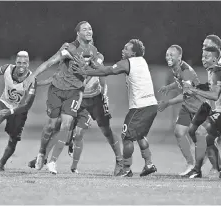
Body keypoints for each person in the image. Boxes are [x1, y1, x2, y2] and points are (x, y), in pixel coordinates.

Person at [28, 51, 123, 175]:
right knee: (59, 126)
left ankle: (120, 162)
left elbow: (100, 74)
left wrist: (104, 95)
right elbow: (59, 76)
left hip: (95, 98)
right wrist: (38, 83)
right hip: (77, 96)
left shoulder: (97, 57)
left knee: (106, 130)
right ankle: (43, 157)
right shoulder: (72, 57)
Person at [72, 39, 158, 177]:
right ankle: (149, 164)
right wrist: (94, 65)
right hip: (152, 105)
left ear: (133, 53)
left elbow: (107, 71)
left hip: (139, 107)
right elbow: (104, 69)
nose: (123, 50)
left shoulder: (127, 63)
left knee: (126, 137)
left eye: (126, 49)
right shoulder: (142, 61)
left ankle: (126, 169)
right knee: (140, 135)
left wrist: (84, 70)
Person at [23, 21, 100, 171]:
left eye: (90, 28)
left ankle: (52, 161)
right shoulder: (69, 48)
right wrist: (32, 77)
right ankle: (41, 153)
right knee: (51, 125)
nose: (89, 31)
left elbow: (98, 71)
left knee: (66, 125)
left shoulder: (94, 51)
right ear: (78, 33)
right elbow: (49, 63)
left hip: (74, 93)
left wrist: (88, 74)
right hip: (57, 91)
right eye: (85, 29)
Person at [185, 46, 221, 178]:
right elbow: (214, 88)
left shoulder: (217, 72)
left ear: (215, 59)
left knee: (201, 132)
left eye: (207, 57)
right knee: (208, 138)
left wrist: (194, 91)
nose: (203, 59)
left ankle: (214, 167)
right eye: (203, 56)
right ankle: (218, 167)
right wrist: (197, 87)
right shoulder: (213, 71)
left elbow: (215, 95)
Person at [0, 51, 37, 171]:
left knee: (13, 140)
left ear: (28, 64)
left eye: (25, 63)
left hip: (18, 111)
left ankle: (1, 164)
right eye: (19, 62)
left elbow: (27, 105)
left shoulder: (32, 80)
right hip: (3, 103)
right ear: (15, 62)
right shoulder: (7, 68)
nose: (22, 65)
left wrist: (11, 111)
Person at [158, 45, 206, 176]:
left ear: (179, 57)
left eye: (172, 55)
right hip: (187, 106)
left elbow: (185, 94)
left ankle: (218, 163)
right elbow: (179, 83)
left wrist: (167, 103)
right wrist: (169, 87)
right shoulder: (176, 68)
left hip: (198, 107)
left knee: (201, 137)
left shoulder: (186, 71)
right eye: (167, 54)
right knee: (179, 132)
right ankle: (191, 164)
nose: (168, 57)